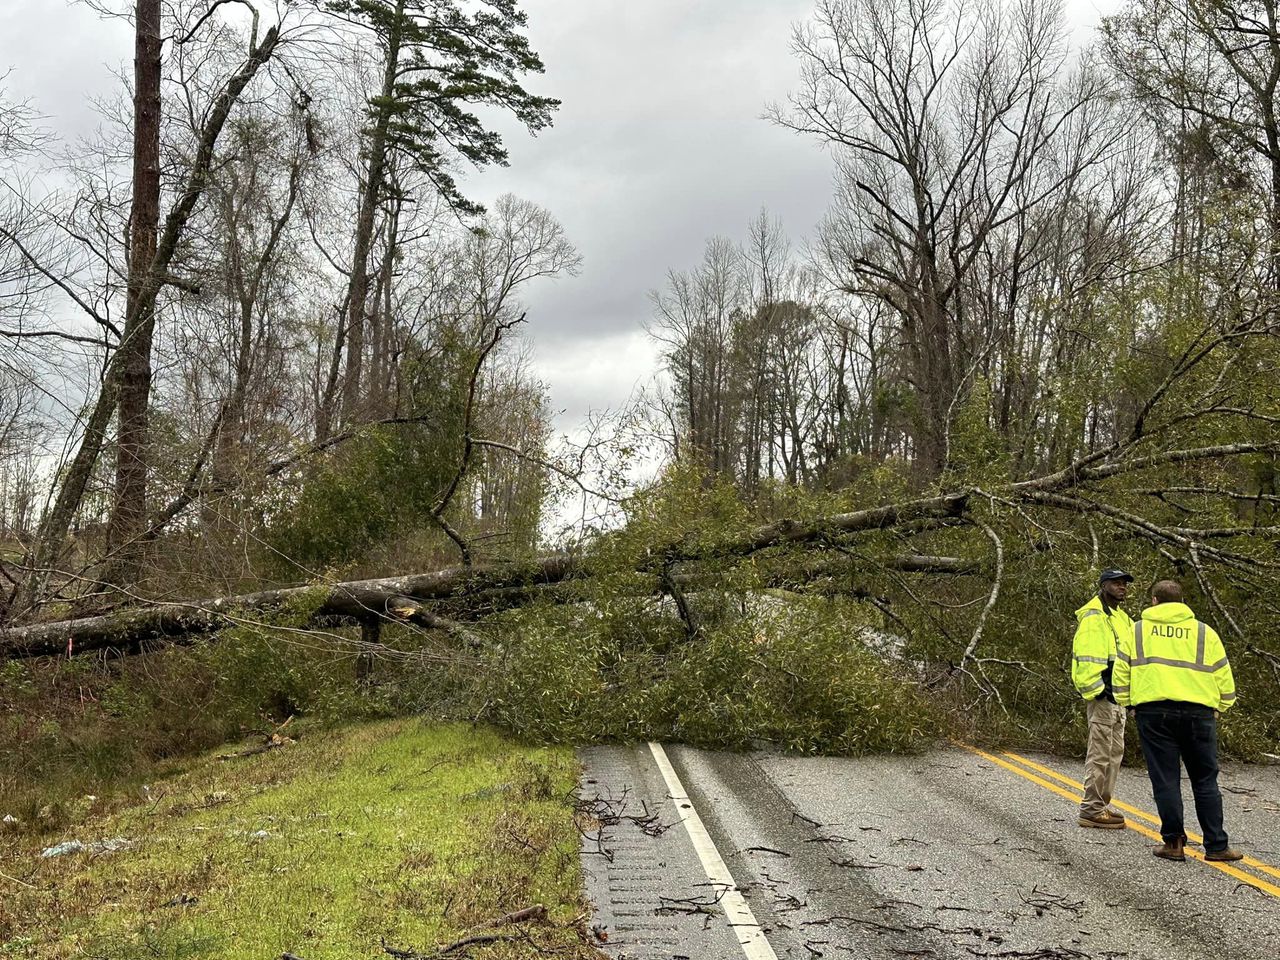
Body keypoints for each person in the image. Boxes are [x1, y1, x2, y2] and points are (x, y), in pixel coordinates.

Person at [1113, 579, 1242, 862]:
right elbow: (1224, 677)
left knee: (1166, 779)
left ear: (1154, 602)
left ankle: (1173, 843)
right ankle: (1217, 846)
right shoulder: (1204, 633)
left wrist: (1130, 704)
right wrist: (1220, 706)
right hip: (1199, 714)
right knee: (1205, 780)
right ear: (1182, 602)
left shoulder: (1137, 631)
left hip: (1154, 713)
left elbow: (1120, 675)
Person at [1072, 568, 1134, 829]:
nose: (1122, 587)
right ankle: (1091, 808)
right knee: (1100, 753)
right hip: (1104, 696)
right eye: (1116, 583)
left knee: (1114, 753)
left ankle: (1101, 804)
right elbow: (1086, 659)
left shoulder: (1122, 618)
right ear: (1103, 585)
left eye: (1124, 584)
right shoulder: (1094, 617)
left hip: (1119, 696)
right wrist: (1097, 690)